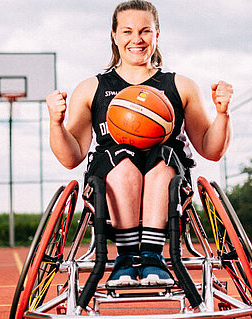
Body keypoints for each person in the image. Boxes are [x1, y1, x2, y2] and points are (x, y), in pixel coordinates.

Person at [46, 0, 233, 287]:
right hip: (111, 183)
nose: (137, 39)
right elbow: (71, 157)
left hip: (167, 179)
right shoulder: (91, 88)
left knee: (162, 155)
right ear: (114, 35)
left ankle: (152, 256)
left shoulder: (180, 86)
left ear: (157, 34)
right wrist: (56, 123)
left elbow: (211, 149)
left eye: (145, 31)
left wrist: (222, 113)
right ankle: (125, 256)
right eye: (127, 31)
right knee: (122, 157)